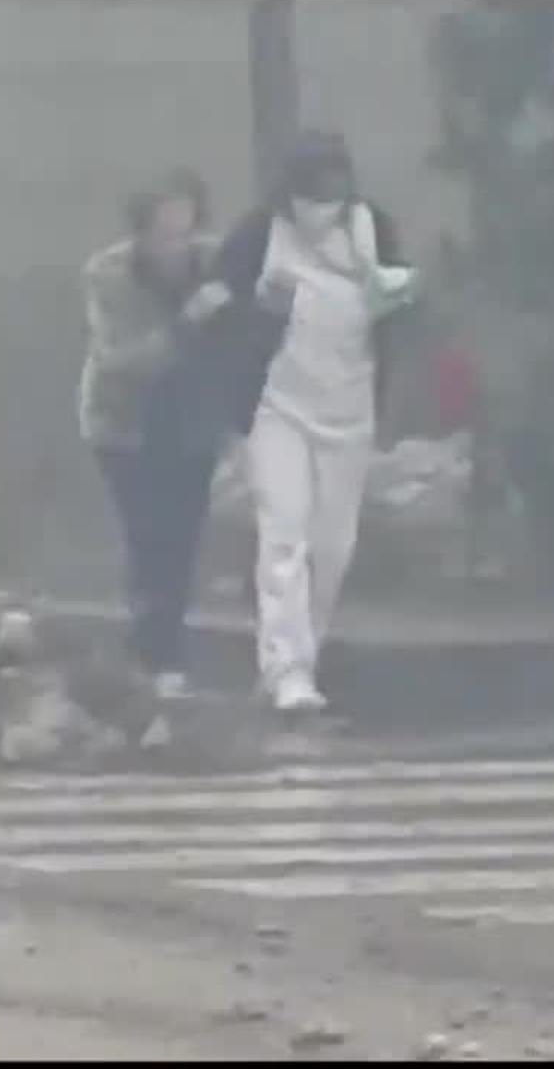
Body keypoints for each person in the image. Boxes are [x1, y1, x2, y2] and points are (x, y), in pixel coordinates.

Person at [215, 130, 420, 715]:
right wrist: (257, 312)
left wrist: (397, 300)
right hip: (277, 407)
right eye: (310, 193)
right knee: (284, 533)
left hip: (348, 408)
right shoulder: (260, 234)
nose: (319, 207)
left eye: (332, 191)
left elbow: (400, 313)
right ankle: (287, 669)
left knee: (333, 545)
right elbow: (221, 311)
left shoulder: (372, 230)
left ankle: (308, 648)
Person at [79, 170, 240, 700]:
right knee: (147, 536)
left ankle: (164, 653)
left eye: (185, 231)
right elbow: (121, 359)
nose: (177, 246)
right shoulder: (109, 275)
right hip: (125, 423)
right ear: (141, 234)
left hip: (191, 422)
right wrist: (187, 324)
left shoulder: (217, 264)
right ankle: (154, 657)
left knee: (183, 537)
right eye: (165, 234)